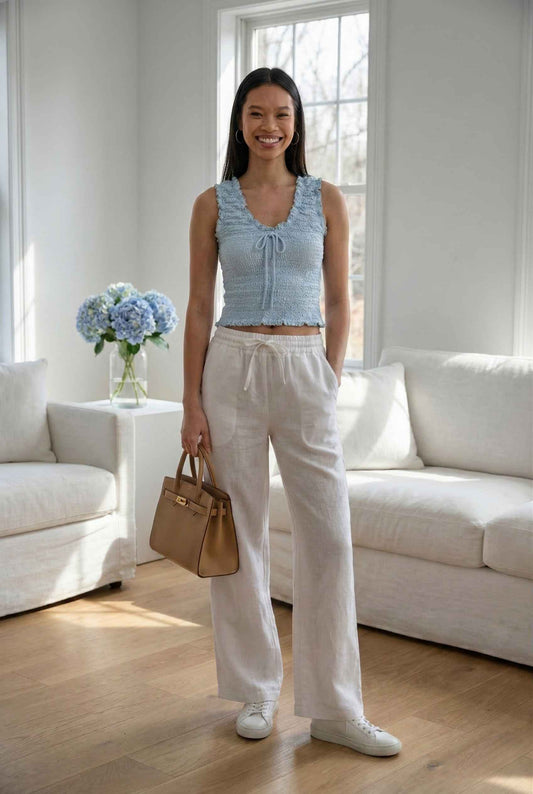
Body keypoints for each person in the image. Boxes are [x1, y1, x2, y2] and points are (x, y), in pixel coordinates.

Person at [181, 66, 402, 757]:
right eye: (256, 113)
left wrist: (328, 376)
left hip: (305, 365)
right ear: (239, 122)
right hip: (233, 365)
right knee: (239, 538)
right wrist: (190, 401)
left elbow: (339, 302)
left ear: (296, 122)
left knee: (328, 538)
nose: (268, 125)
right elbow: (196, 307)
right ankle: (256, 689)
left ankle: (336, 708)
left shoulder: (326, 199)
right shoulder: (212, 204)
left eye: (281, 113)